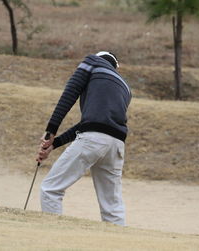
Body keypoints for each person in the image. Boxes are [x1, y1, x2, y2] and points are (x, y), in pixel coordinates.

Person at [36, 51, 131, 226]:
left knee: (50, 190)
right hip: (116, 145)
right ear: (115, 67)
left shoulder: (91, 63)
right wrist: (55, 144)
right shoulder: (124, 86)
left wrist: (51, 130)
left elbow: (69, 94)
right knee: (112, 206)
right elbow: (94, 123)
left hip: (93, 140)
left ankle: (54, 239)